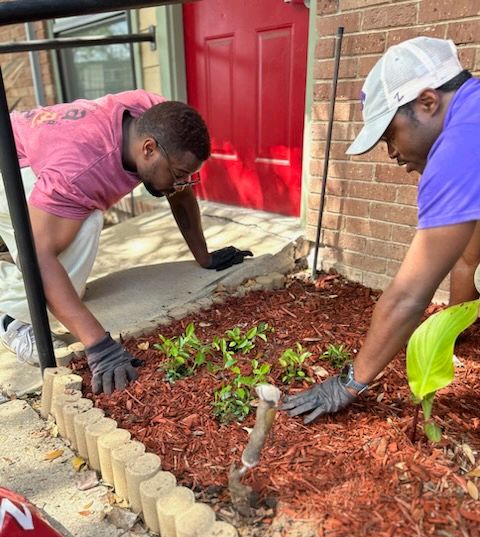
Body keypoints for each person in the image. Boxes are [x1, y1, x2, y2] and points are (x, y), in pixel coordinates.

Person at [282, 36, 480, 424]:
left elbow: (409, 296)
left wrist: (348, 383)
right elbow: (469, 253)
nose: (391, 153)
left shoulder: (456, 151)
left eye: (390, 135)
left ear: (427, 102)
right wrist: (453, 331)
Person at [0, 90, 252, 393]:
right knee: (61, 256)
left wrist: (205, 256)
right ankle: (10, 319)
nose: (181, 183)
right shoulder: (78, 173)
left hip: (34, 151)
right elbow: (38, 256)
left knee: (67, 283)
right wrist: (99, 346)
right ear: (148, 149)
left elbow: (178, 190)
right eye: (180, 174)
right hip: (10, 164)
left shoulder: (154, 115)